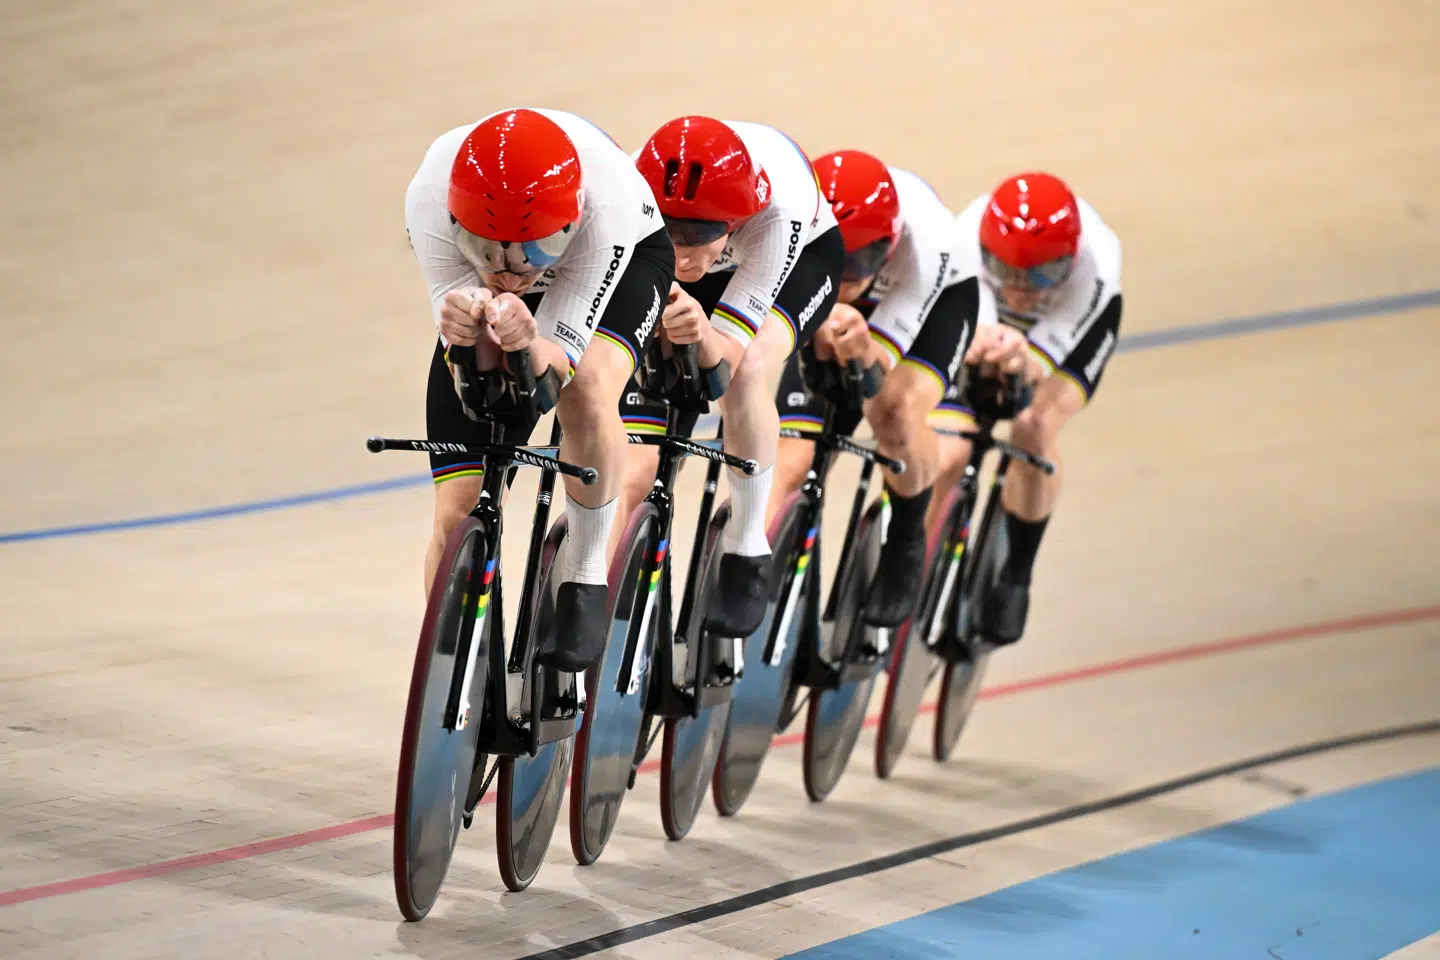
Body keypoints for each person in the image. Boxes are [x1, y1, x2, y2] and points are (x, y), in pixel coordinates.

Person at [404, 107, 674, 673]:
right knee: (457, 512)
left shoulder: (609, 208)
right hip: (510, 277)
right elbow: (465, 350)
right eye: (488, 251)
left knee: (588, 388)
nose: (512, 273)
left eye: (536, 251)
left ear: (570, 223)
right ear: (456, 222)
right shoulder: (429, 195)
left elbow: (555, 372)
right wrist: (470, 339)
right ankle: (450, 677)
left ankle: (584, 572)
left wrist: (533, 345)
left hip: (621, 265)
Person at [766, 149, 1029, 627]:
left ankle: (907, 537)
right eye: (841, 259)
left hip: (936, 304)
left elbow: (876, 370)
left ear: (890, 242)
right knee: (793, 456)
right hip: (825, 289)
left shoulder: (930, 242)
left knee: (894, 413)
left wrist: (861, 351)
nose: (850, 276)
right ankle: (752, 559)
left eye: (864, 259)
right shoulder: (787, 218)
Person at [614, 116, 844, 638]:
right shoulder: (625, 193)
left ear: (738, 219)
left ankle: (746, 543)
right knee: (635, 458)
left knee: (748, 373)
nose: (683, 251)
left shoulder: (777, 212)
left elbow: (729, 357)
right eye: (670, 230)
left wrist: (699, 335)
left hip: (801, 262)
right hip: (703, 261)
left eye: (700, 234)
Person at [930, 171, 1123, 644]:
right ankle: (922, 552)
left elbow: (1035, 366)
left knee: (1032, 423)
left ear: (1070, 260)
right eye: (1007, 270)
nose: (1021, 288)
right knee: (949, 441)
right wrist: (983, 353)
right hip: (983, 314)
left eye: (1041, 274)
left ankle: (1017, 572)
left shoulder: (1098, 261)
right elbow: (971, 328)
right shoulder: (964, 235)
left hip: (1069, 329)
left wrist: (1017, 365)